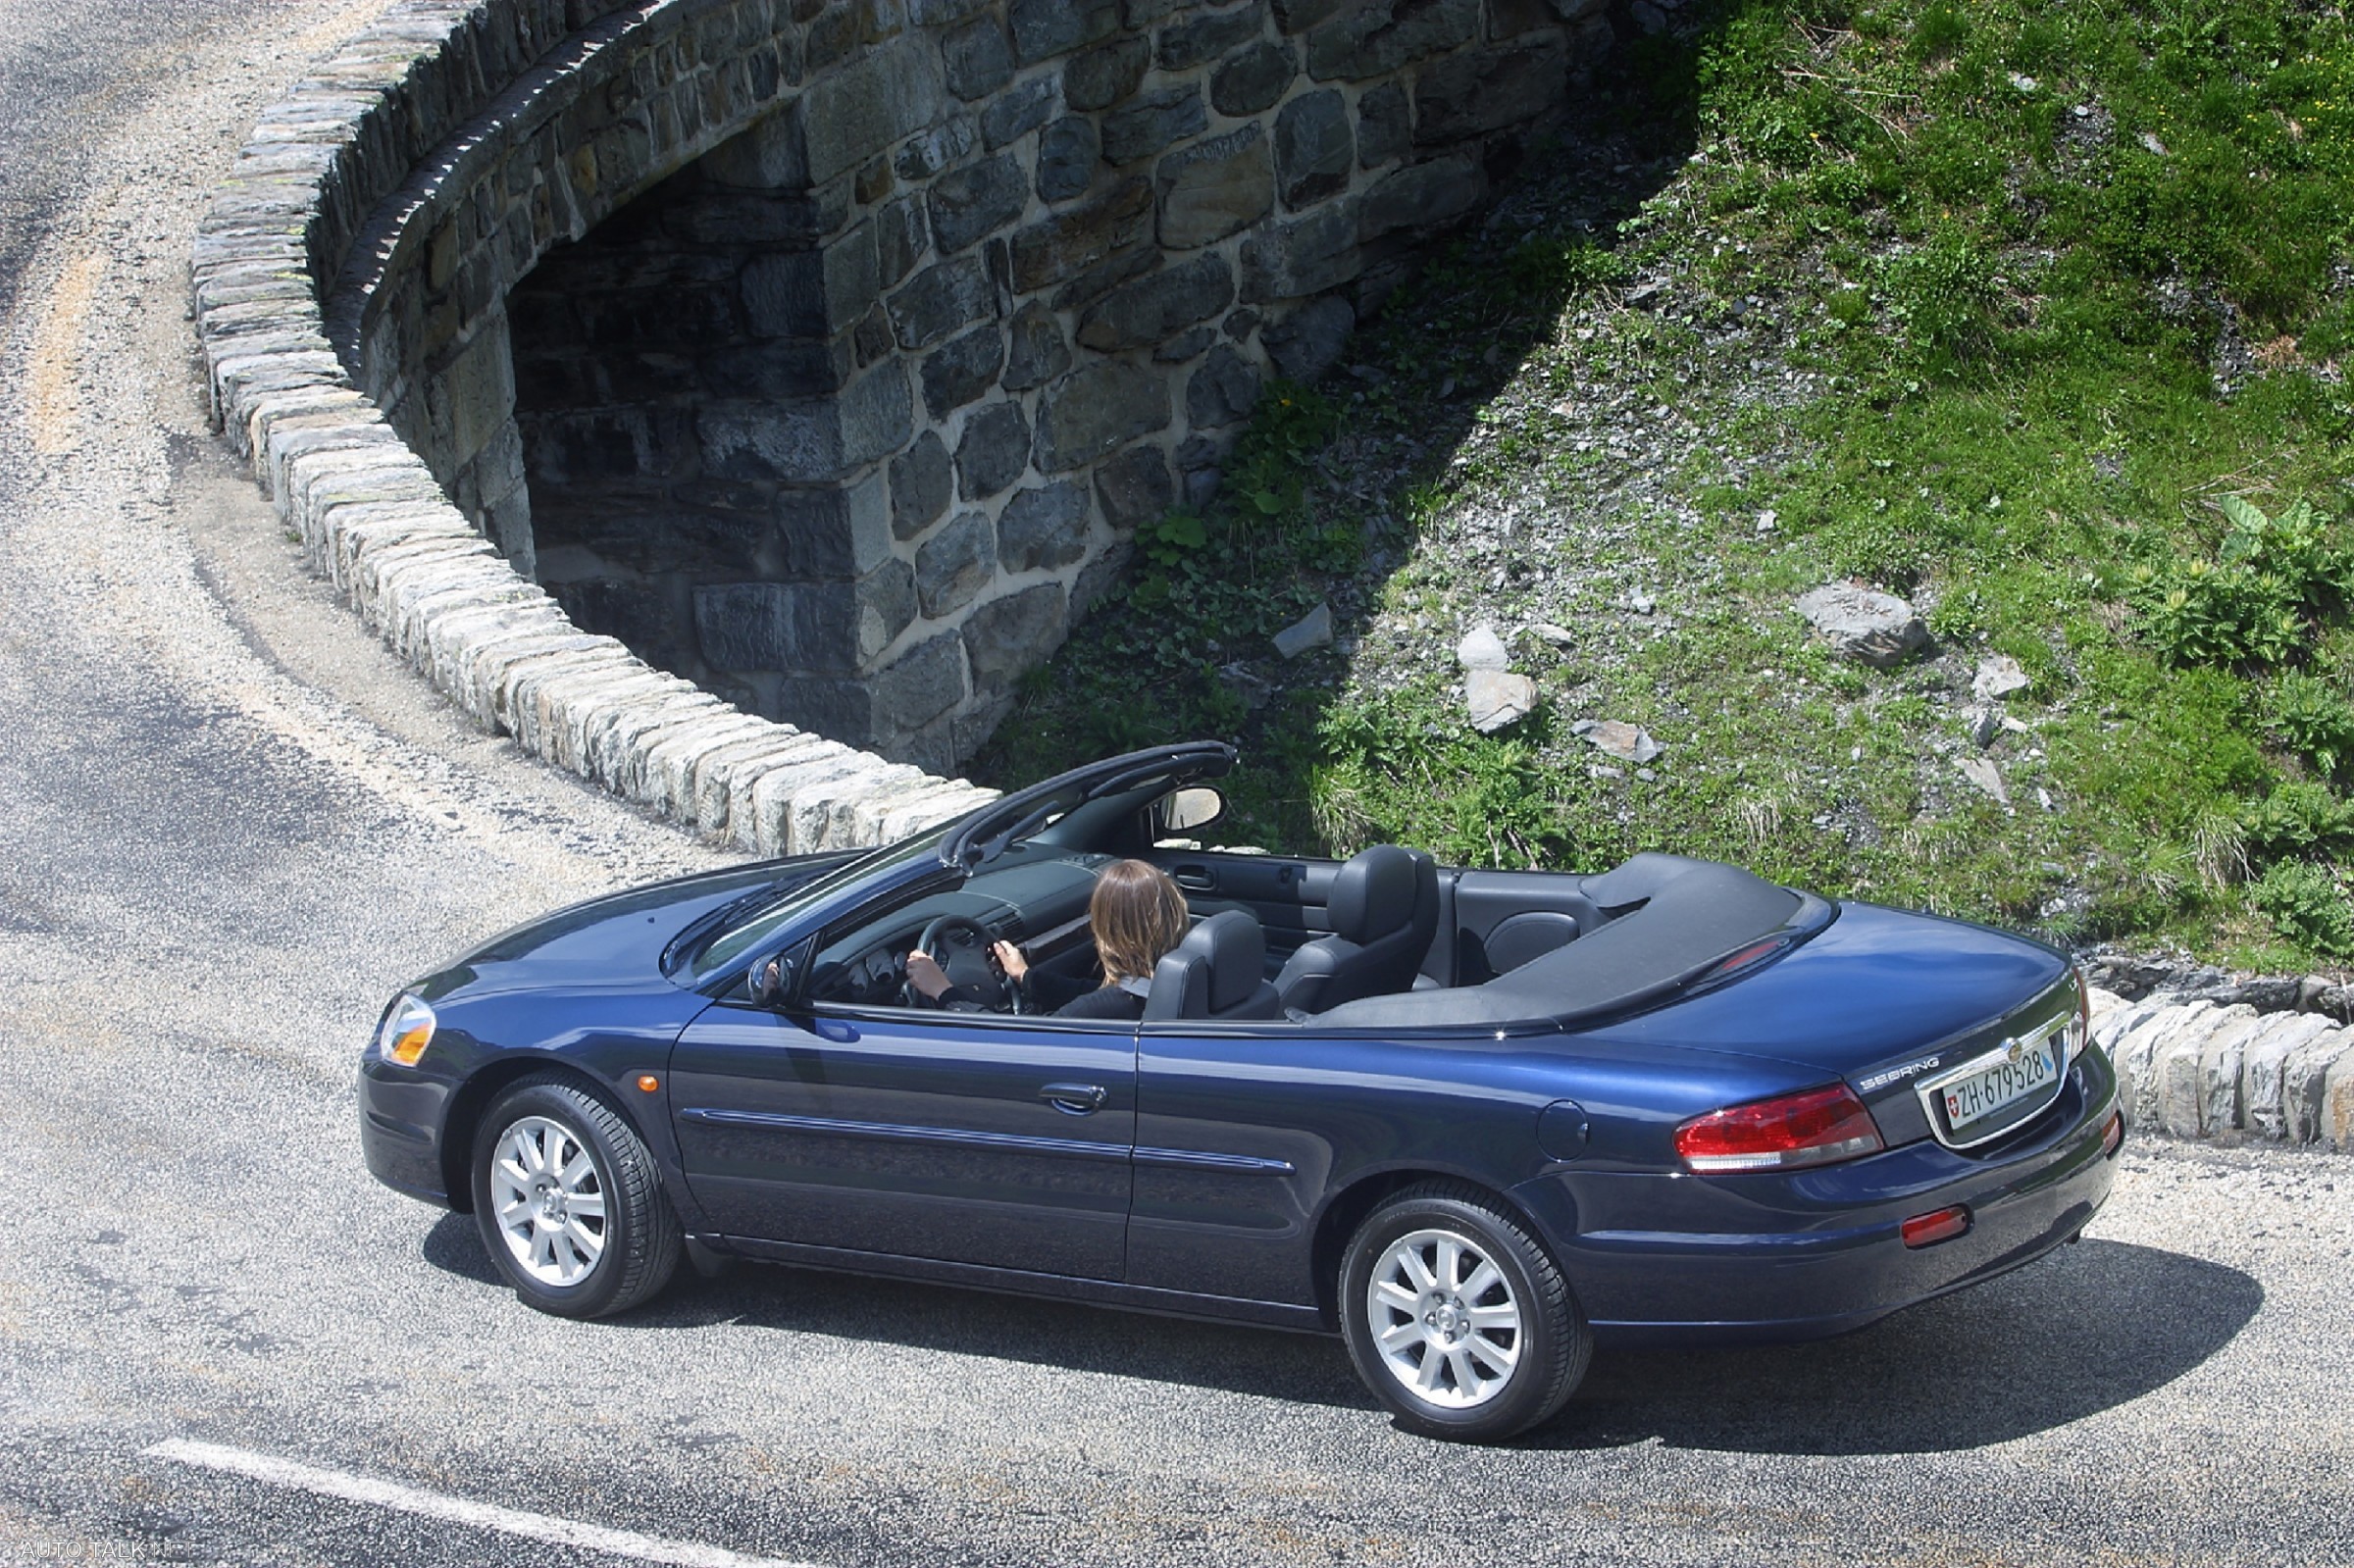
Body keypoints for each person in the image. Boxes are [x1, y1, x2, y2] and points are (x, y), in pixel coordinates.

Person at [905, 859, 1190, 1019]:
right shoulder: (1181, 984)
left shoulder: (1111, 1007)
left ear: (1108, 931)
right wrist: (1025, 977)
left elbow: (1012, 1042)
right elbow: (1089, 992)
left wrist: (944, 991)